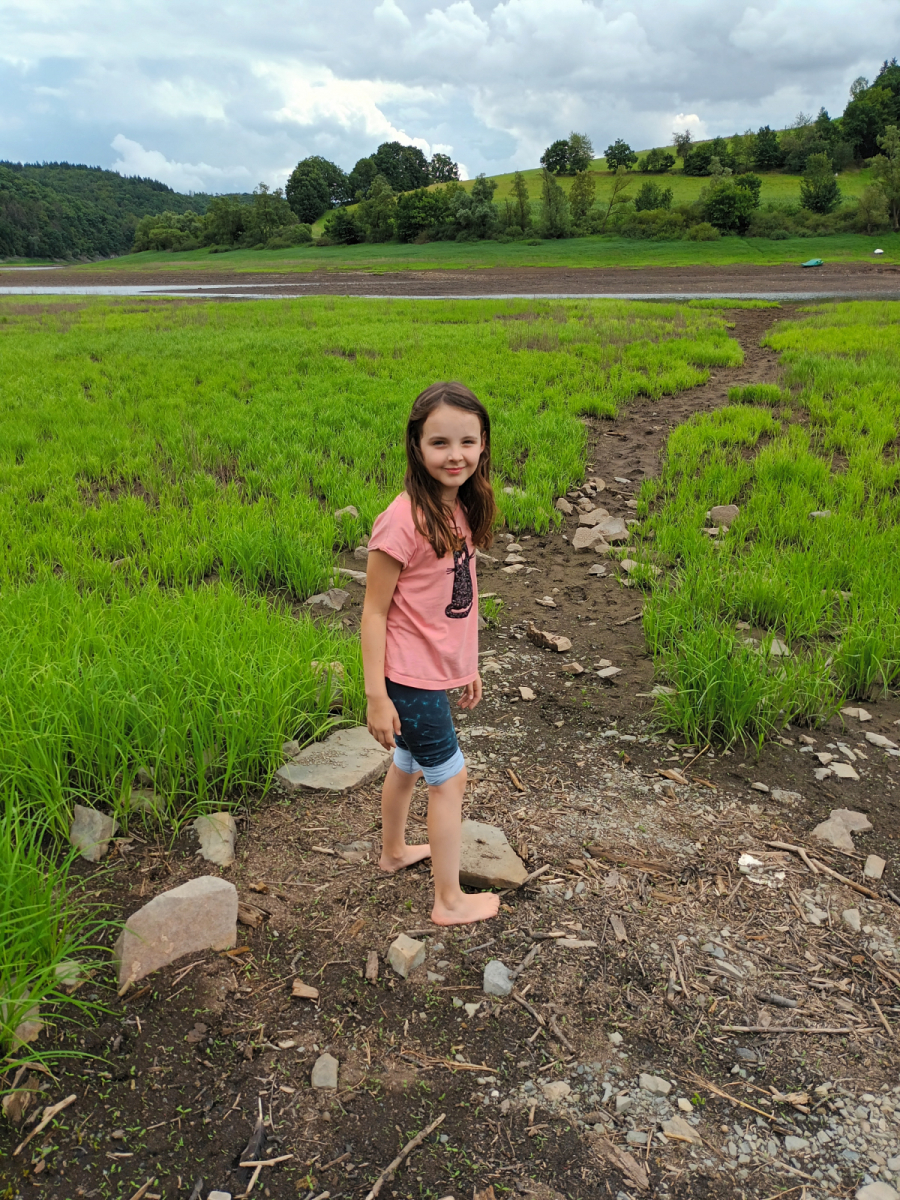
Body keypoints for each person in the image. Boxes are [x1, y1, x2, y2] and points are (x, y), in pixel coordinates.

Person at [361, 381, 500, 926]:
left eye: (468, 441)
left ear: (483, 443)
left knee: (410, 764)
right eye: (439, 442)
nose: (455, 455)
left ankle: (394, 852)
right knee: (450, 778)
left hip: (430, 673)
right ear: (416, 445)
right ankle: (449, 900)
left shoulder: (459, 506)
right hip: (406, 678)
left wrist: (468, 665)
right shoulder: (402, 520)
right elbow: (374, 613)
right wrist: (377, 696)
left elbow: (457, 600)